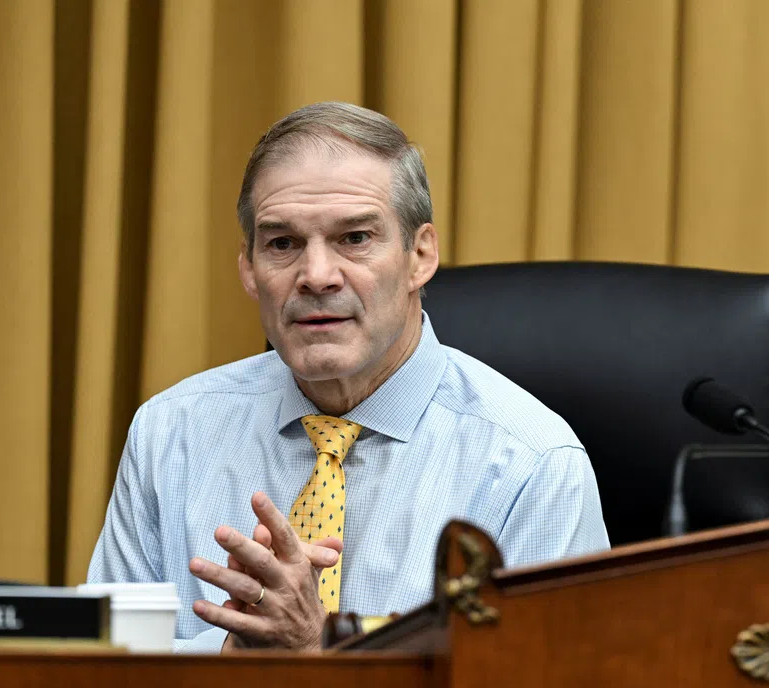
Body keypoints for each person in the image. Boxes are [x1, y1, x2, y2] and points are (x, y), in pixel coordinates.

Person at [87, 102, 609, 653]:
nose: (315, 276)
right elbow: (96, 675)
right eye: (282, 243)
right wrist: (234, 655)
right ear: (248, 268)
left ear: (420, 255)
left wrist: (319, 653)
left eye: (354, 238)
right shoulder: (171, 432)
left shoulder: (533, 463)